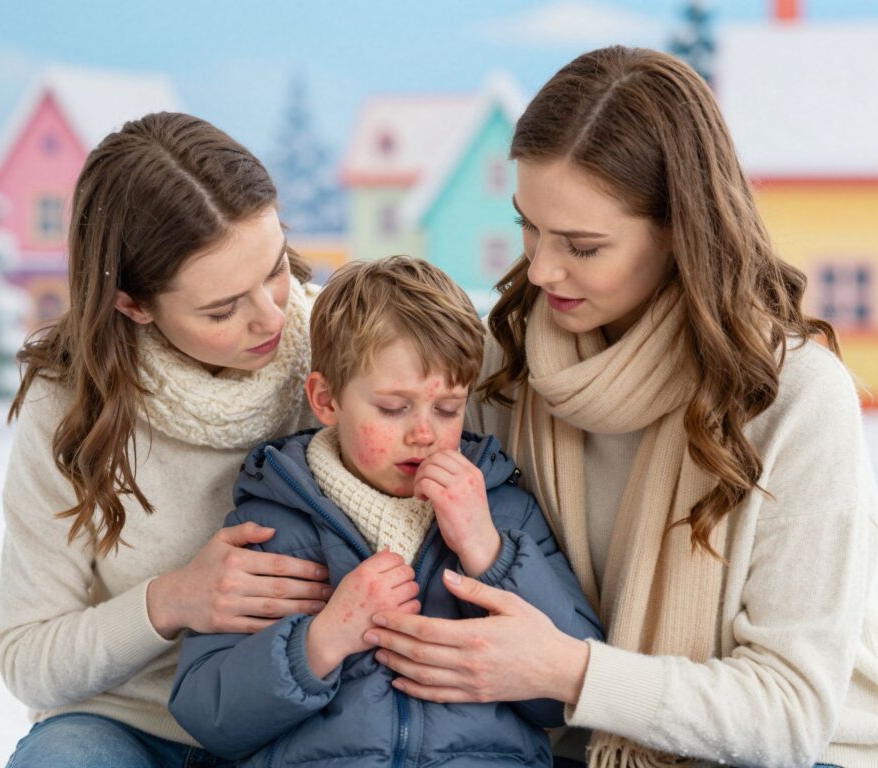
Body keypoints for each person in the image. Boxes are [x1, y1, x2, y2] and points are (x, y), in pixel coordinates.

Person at [362, 47, 878, 768]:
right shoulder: (500, 366)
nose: (540, 270)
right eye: (528, 228)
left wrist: (566, 671)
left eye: (583, 245)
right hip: (571, 743)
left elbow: (790, 715)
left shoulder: (795, 397)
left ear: (680, 232)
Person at [169, 256, 604, 767]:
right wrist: (321, 640)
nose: (424, 432)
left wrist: (488, 551)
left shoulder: (503, 511)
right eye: (394, 409)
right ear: (326, 400)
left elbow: (572, 695)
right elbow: (208, 714)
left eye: (447, 409)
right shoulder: (275, 524)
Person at [0, 112, 333, 768]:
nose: (270, 316)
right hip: (125, 726)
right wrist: (171, 601)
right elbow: (28, 659)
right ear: (133, 305)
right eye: (221, 308)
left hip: (297, 717)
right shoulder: (68, 403)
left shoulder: (340, 343)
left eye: (275, 268)